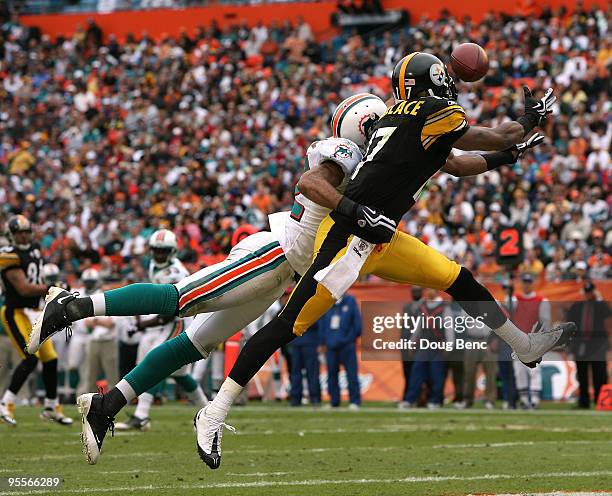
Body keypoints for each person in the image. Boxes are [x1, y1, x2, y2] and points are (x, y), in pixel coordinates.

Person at [35, 85, 560, 465]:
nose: (384, 126)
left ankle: (107, 406)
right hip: (280, 255)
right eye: (377, 121)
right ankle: (75, 305)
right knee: (182, 298)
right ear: (364, 125)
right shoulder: (347, 150)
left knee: (196, 345)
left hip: (339, 254)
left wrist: (510, 152)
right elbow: (314, 181)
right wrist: (357, 213)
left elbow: (461, 160)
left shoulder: (404, 139)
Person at [193, 53, 574, 468]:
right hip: (350, 237)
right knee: (289, 324)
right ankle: (213, 412)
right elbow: (491, 138)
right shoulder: (433, 112)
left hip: (381, 235)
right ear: (432, 81)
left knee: (457, 278)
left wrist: (510, 155)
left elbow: (459, 164)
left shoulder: (403, 119)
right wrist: (527, 123)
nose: (450, 83)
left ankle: (524, 345)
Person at [116, 230, 207, 431]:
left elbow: (169, 311)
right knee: (180, 373)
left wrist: (142, 325)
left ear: (172, 251)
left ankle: (141, 416)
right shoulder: (156, 265)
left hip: (178, 320)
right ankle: (208, 412)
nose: (158, 255)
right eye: (156, 250)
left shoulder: (173, 273)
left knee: (158, 362)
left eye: (163, 251)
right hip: (169, 321)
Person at [0, 215, 72, 426]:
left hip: (34, 312)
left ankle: (51, 406)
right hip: (16, 312)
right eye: (19, 232)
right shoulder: (8, 255)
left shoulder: (35, 249)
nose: (24, 236)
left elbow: (35, 280)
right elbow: (23, 288)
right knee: (30, 358)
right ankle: (6, 403)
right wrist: (52, 287)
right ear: (11, 235)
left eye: (26, 231)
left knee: (51, 359)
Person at [403, 289, 451, 409]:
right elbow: (418, 327)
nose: (428, 292)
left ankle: (435, 400)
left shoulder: (444, 307)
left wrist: (449, 345)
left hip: (438, 345)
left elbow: (449, 327)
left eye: (431, 289)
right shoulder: (423, 306)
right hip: (424, 344)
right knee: (416, 372)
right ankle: (410, 399)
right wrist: (412, 342)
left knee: (437, 374)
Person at [566, 281, 611, 408]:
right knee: (582, 373)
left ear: (594, 292)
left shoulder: (601, 306)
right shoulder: (577, 306)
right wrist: (571, 344)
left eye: (590, 292)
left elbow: (608, 323)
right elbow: (571, 325)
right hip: (581, 343)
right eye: (586, 292)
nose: (588, 295)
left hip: (597, 343)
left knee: (600, 373)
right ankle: (583, 401)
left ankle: (600, 400)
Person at [512, 273, 551, 409]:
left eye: (528, 282)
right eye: (524, 282)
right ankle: (523, 398)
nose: (526, 285)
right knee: (519, 370)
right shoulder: (514, 299)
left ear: (532, 283)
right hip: (517, 339)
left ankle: (534, 398)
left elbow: (545, 322)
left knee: (534, 370)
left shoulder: (541, 300)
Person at [318, 293, 361, 409]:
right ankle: (334, 401)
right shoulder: (328, 302)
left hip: (347, 346)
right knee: (331, 374)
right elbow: (322, 325)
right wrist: (322, 342)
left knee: (351, 374)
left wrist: (348, 339)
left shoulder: (350, 301)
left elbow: (357, 325)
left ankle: (354, 401)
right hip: (331, 347)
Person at [288, 320, 321, 407]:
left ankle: (314, 397)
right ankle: (295, 398)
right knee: (295, 372)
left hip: (310, 342)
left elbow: (318, 321)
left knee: (311, 372)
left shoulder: (313, 306)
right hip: (297, 341)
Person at [398, 286, 422, 409]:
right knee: (407, 372)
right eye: (413, 291)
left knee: (418, 372)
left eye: (417, 291)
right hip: (406, 343)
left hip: (420, 344)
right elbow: (404, 327)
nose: (415, 293)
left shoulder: (424, 307)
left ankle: (419, 398)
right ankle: (407, 396)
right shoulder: (407, 307)